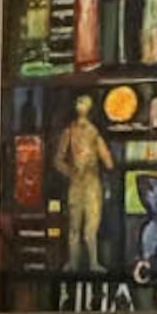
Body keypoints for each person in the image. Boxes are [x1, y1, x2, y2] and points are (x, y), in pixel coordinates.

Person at [55, 94, 112, 273]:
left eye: (85, 102)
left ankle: (93, 263)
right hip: (76, 184)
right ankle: (73, 263)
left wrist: (94, 160)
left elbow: (109, 162)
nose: (82, 106)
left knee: (91, 229)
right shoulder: (69, 132)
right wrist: (71, 171)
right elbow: (58, 160)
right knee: (74, 227)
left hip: (92, 184)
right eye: (79, 102)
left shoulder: (94, 133)